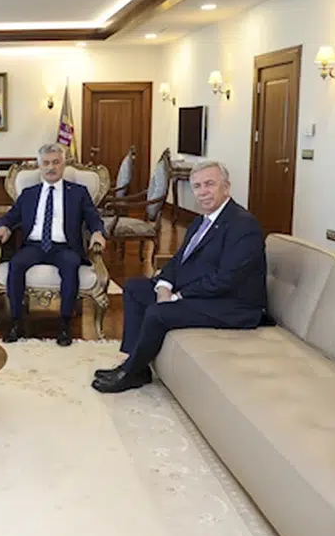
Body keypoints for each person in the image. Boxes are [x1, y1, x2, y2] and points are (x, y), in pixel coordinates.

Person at [92, 161, 267, 394]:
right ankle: (137, 366)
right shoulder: (201, 220)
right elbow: (178, 260)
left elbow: (227, 279)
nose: (203, 192)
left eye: (209, 184)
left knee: (158, 312)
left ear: (226, 187)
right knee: (134, 288)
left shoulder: (243, 225)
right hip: (204, 293)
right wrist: (164, 286)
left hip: (232, 305)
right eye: (197, 186)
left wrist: (177, 297)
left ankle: (130, 373)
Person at [0, 143, 105, 346]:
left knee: (70, 265)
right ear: (40, 166)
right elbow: (10, 216)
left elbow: (93, 218)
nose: (51, 167)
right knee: (16, 265)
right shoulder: (29, 193)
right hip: (33, 246)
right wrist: (3, 228)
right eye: (46, 163)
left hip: (64, 247)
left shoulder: (78, 192)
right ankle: (16, 322)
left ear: (63, 165)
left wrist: (97, 232)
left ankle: (64, 324)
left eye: (56, 162)